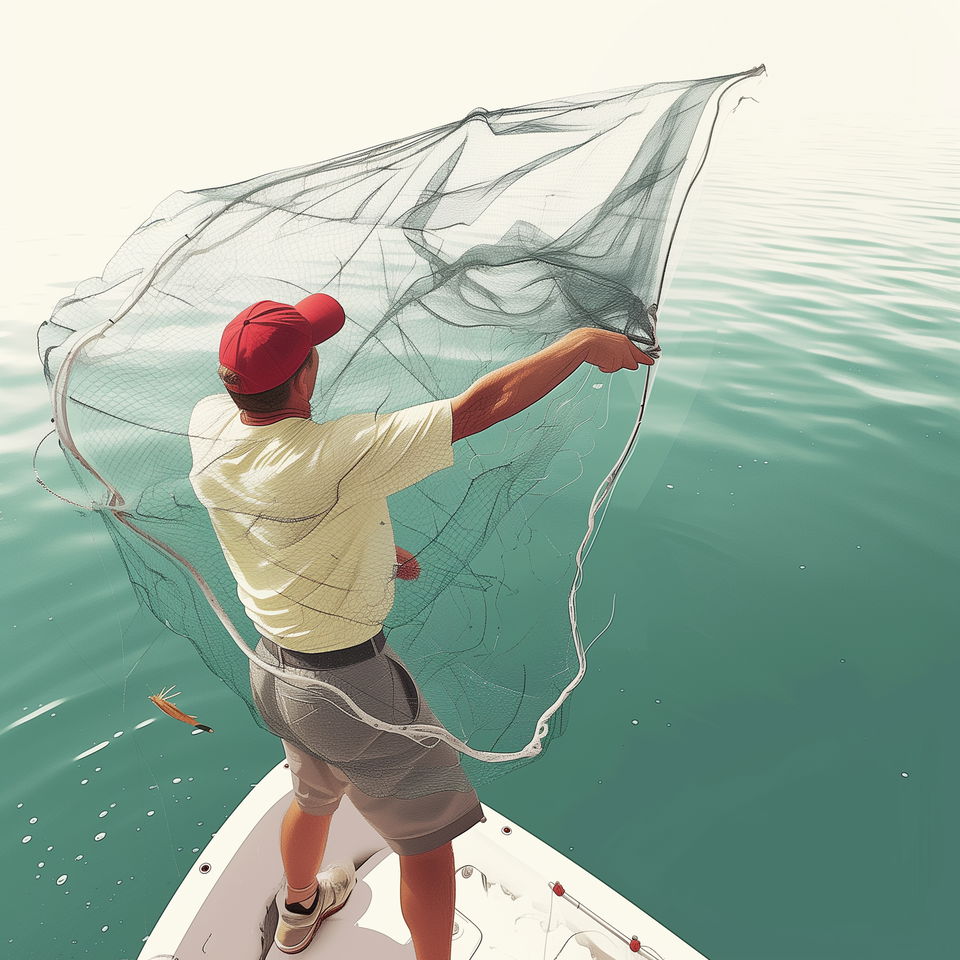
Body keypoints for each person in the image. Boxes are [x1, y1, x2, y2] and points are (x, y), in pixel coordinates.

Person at [188, 294, 653, 958]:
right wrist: (579, 345)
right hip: (353, 691)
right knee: (429, 846)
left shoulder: (208, 425)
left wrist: (374, 554)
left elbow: (283, 513)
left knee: (312, 796)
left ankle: (298, 912)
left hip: (273, 672)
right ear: (306, 375)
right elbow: (476, 410)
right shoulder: (339, 452)